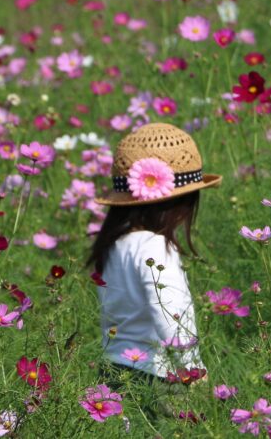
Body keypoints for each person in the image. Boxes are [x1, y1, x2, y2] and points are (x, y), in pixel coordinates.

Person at [90, 122, 222, 391]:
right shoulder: (154, 246)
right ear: (180, 202)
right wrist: (193, 370)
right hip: (156, 376)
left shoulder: (115, 242)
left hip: (113, 370)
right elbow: (171, 314)